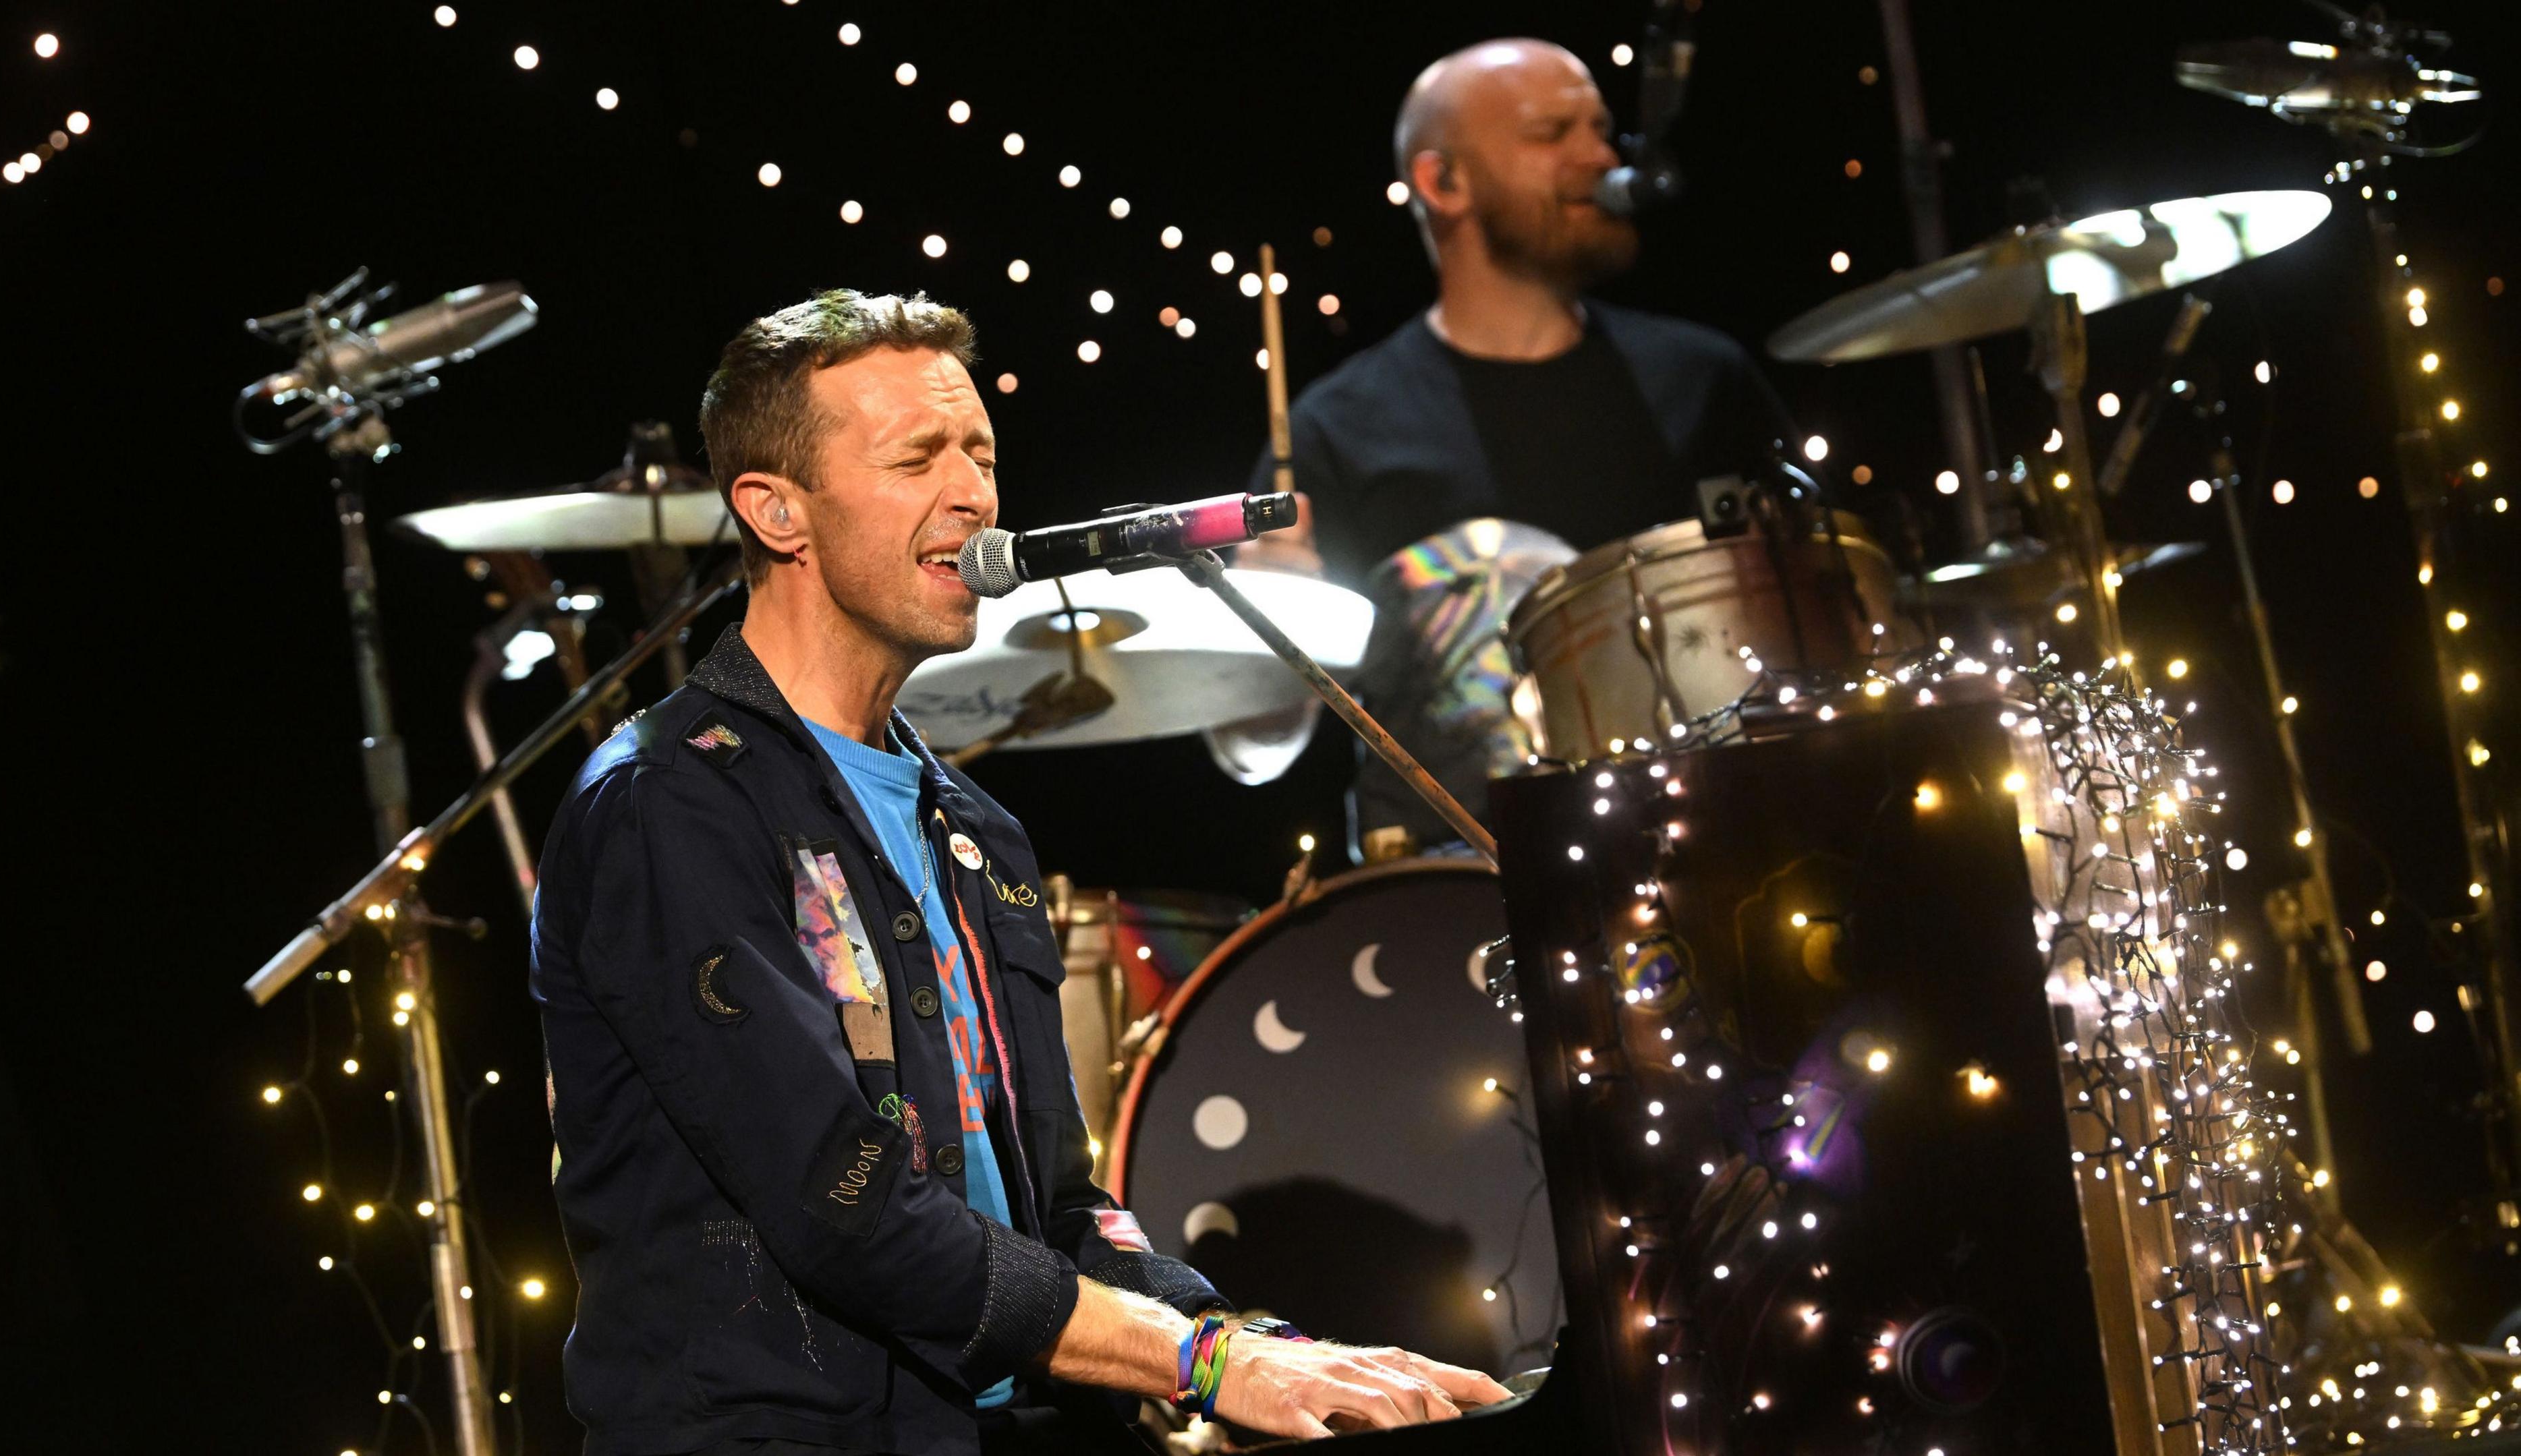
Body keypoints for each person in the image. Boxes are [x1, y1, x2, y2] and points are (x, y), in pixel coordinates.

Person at [530, 289, 1509, 1456]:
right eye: (918, 457)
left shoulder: (975, 827)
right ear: (775, 509)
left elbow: (1053, 1201)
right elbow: (846, 1205)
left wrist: (1258, 1344)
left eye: (980, 451)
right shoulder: (671, 804)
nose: (973, 492)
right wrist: (1199, 1359)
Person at [1245, 38, 1804, 852]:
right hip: (1447, 914)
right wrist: (1267, 627)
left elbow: (1820, 633)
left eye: (1600, 128)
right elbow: (1256, 750)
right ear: (1444, 183)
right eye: (1555, 134)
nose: (1601, 157)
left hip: (1720, 867)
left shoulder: (1705, 380)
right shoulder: (1336, 427)